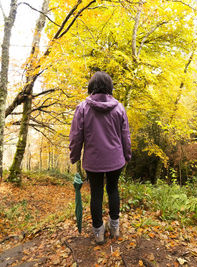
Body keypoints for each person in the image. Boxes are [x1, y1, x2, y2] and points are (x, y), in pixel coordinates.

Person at [69, 71, 131, 244]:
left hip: (93, 161)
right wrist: (127, 155)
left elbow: (76, 136)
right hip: (116, 160)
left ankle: (98, 233)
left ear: (92, 87)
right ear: (109, 87)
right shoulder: (119, 108)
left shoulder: (82, 108)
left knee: (96, 193)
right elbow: (125, 135)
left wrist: (74, 156)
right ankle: (115, 228)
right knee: (113, 190)